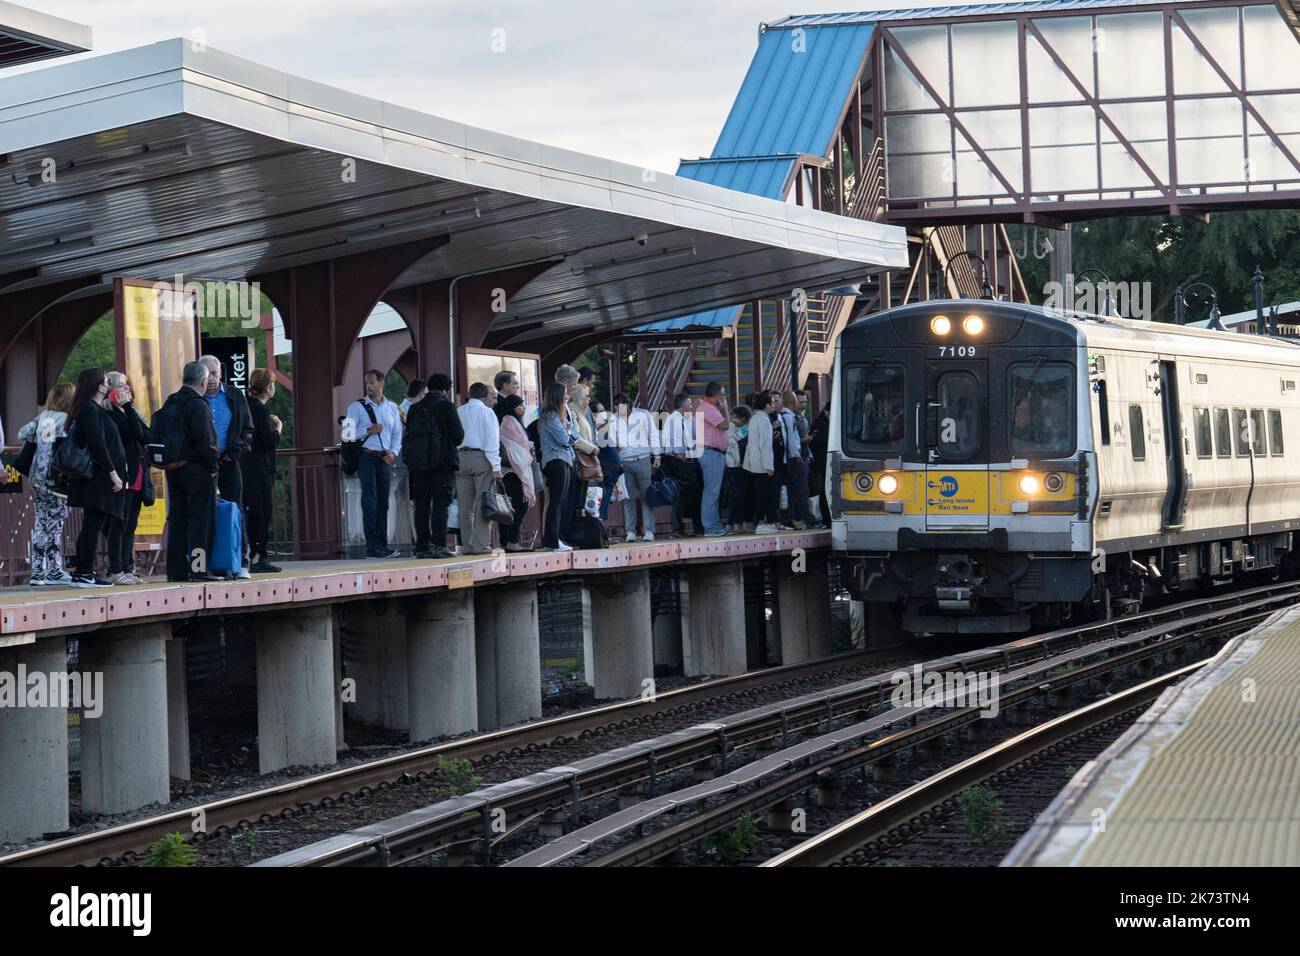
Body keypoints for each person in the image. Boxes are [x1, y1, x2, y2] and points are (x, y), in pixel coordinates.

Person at [66, 368, 126, 588]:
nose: (107, 385)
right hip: (97, 478)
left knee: (92, 523)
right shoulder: (89, 410)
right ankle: (83, 572)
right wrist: (113, 473)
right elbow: (97, 444)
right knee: (92, 524)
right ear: (97, 386)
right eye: (104, 382)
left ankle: (84, 571)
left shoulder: (94, 409)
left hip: (98, 477)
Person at [162, 361, 221, 583]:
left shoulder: (172, 401)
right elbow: (206, 442)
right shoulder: (198, 405)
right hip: (198, 472)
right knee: (201, 523)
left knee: (177, 519)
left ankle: (175, 570)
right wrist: (213, 468)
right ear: (204, 382)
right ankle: (199, 569)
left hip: (174, 469)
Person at [200, 355, 254, 578]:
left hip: (229, 461)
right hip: (204, 464)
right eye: (206, 374)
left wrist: (235, 453)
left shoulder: (234, 395)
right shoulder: (197, 398)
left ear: (220, 373)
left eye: (214, 373)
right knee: (203, 511)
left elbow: (247, 429)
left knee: (236, 508)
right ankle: (206, 563)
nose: (210, 379)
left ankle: (241, 561)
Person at [18, 383, 74, 587]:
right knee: (55, 522)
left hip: (36, 477)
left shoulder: (43, 418)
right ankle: (48, 569)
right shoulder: (67, 420)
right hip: (56, 480)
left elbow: (22, 433)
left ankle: (42, 570)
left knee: (41, 521)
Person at [405, 372, 463, 559]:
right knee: (440, 504)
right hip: (443, 463)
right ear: (446, 389)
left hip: (419, 464)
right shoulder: (446, 406)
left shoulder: (415, 408)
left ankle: (422, 546)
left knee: (421, 504)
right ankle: (439, 545)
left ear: (428, 387)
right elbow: (458, 436)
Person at [346, 369, 403, 559]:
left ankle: (383, 545)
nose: (368, 386)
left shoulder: (392, 407)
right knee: (369, 501)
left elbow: (397, 434)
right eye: (366, 383)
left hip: (384, 458)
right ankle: (373, 546)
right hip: (366, 457)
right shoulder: (356, 406)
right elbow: (346, 434)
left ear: (381, 383)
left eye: (371, 382)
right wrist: (366, 430)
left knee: (383, 502)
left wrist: (394, 452)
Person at [104, 372, 153, 584]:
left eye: (127, 386)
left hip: (138, 474)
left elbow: (146, 435)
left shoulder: (130, 412)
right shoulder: (110, 415)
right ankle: (116, 569)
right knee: (119, 524)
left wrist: (131, 409)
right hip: (121, 474)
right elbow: (131, 433)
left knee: (131, 524)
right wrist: (129, 409)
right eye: (121, 387)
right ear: (110, 391)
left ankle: (127, 567)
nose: (126, 391)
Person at [242, 368, 283, 572]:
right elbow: (269, 440)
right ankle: (259, 557)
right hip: (261, 469)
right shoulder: (260, 409)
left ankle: (251, 555)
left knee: (252, 511)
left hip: (246, 467)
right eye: (272, 384)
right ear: (268, 387)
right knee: (263, 513)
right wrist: (278, 428)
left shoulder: (245, 406)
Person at [456, 381, 501, 555]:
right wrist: (496, 467)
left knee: (465, 505)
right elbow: (492, 441)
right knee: (484, 502)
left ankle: (467, 545)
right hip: (481, 458)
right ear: (484, 396)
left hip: (461, 457)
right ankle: (481, 545)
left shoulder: (459, 411)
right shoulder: (487, 412)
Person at [609, 392, 661, 542]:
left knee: (647, 496)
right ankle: (630, 531)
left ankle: (649, 530)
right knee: (628, 498)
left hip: (643, 459)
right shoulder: (614, 418)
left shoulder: (643, 415)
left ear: (630, 406)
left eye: (623, 409)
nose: (620, 412)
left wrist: (657, 455)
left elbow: (653, 434)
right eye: (617, 409)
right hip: (624, 461)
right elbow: (612, 441)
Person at [538, 382, 575, 552]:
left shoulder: (557, 416)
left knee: (559, 502)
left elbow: (569, 434)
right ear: (558, 396)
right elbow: (564, 439)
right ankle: (552, 541)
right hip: (556, 460)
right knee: (556, 502)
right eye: (565, 393)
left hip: (563, 459)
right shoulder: (551, 416)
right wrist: (568, 432)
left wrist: (568, 430)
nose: (567, 396)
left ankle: (555, 539)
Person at [496, 394, 536, 552]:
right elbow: (517, 446)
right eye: (520, 405)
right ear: (512, 407)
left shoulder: (515, 422)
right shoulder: (508, 422)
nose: (523, 408)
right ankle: (512, 541)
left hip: (516, 470)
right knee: (518, 506)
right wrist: (529, 448)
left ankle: (507, 542)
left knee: (512, 507)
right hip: (512, 472)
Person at [660, 393, 702, 537]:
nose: (691, 407)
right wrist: (677, 455)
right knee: (680, 493)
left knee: (689, 493)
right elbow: (669, 441)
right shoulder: (673, 420)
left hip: (688, 460)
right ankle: (677, 528)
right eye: (689, 404)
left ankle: (685, 527)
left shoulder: (687, 420)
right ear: (683, 405)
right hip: (678, 461)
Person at [695, 382, 729, 537]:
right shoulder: (707, 408)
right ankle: (710, 527)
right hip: (711, 453)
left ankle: (714, 525)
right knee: (711, 492)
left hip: (713, 453)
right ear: (716, 396)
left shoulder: (708, 408)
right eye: (723, 395)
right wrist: (726, 409)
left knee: (713, 491)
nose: (724, 398)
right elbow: (725, 425)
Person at [744, 391, 779, 534]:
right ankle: (763, 522)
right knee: (766, 494)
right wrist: (769, 466)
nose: (774, 405)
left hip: (753, 462)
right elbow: (765, 445)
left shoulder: (754, 418)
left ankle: (760, 521)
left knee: (759, 493)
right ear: (766, 404)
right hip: (763, 464)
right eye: (772, 402)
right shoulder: (764, 420)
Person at [779, 389, 811, 530]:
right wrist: (796, 455)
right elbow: (791, 439)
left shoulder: (786, 416)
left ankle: (794, 518)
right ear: (793, 402)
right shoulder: (788, 417)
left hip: (791, 457)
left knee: (793, 491)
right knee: (801, 489)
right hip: (794, 458)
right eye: (798, 401)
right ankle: (803, 518)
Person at [568, 384, 601, 517]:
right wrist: (592, 448)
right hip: (578, 460)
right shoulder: (573, 412)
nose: (589, 399)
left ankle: (578, 525)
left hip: (584, 460)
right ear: (579, 398)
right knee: (574, 498)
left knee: (581, 499)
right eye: (587, 396)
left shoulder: (582, 412)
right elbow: (575, 438)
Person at [593, 403, 622, 521]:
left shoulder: (605, 427)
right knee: (602, 496)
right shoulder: (593, 429)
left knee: (605, 496)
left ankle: (601, 522)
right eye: (600, 411)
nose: (603, 413)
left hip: (611, 468)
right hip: (605, 468)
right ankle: (599, 523)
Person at [725, 405, 751, 532]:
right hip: (734, 465)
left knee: (740, 495)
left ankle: (733, 523)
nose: (734, 420)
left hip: (740, 465)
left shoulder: (737, 427)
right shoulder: (731, 427)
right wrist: (745, 431)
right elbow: (732, 441)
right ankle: (734, 523)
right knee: (739, 495)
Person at [808, 401, 831, 528]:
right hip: (822, 463)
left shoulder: (826, 422)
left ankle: (827, 518)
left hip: (826, 462)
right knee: (824, 490)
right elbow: (816, 442)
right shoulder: (819, 423)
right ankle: (826, 518)